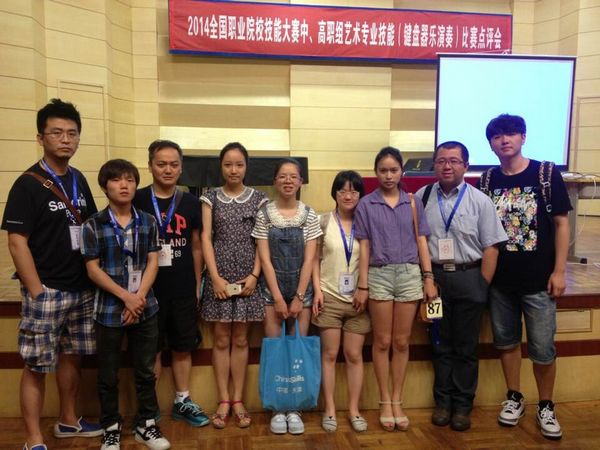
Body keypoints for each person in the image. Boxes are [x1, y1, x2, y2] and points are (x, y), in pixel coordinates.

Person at [1, 98, 102, 450]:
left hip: (81, 290)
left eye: (72, 133)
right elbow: (17, 242)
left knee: (72, 357)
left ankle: (68, 421)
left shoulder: (79, 180)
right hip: (47, 291)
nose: (65, 139)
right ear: (40, 138)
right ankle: (32, 439)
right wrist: (37, 290)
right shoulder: (27, 184)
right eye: (57, 132)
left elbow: (90, 229)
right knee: (36, 365)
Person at [479, 114, 571, 440]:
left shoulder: (545, 173)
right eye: (497, 136)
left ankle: (546, 405)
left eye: (511, 134)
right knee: (506, 344)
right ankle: (514, 397)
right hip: (500, 283)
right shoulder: (487, 180)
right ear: (491, 144)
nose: (504, 140)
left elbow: (561, 224)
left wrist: (559, 270)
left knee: (543, 349)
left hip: (539, 281)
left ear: (523, 137)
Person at [415, 141, 507, 431]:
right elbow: (416, 241)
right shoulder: (422, 196)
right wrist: (426, 279)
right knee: (440, 344)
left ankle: (463, 406)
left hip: (469, 278)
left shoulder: (480, 201)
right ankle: (442, 403)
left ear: (466, 166)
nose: (447, 166)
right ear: (434, 165)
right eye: (441, 160)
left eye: (454, 161)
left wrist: (482, 285)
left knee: (466, 347)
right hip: (435, 282)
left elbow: (491, 247)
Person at [81, 159, 170, 450]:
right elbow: (92, 269)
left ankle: (147, 425)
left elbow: (153, 261)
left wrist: (138, 298)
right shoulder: (93, 224)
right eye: (117, 180)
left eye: (130, 180)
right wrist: (126, 297)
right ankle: (111, 428)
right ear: (105, 186)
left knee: (146, 371)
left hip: (145, 307)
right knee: (108, 375)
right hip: (108, 310)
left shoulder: (148, 220)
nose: (124, 185)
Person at [354, 146, 437, 432]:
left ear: (402, 171)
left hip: (410, 274)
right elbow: (364, 247)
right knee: (382, 341)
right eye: (383, 170)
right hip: (378, 274)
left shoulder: (413, 202)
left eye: (393, 170)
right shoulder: (366, 204)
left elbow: (422, 241)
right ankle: (384, 401)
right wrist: (362, 284)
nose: (388, 175)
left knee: (401, 342)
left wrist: (428, 278)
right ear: (375, 172)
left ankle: (398, 400)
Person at [133, 140, 209, 428]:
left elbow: (197, 245)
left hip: (182, 288)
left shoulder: (190, 202)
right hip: (147, 291)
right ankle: (148, 408)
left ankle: (182, 400)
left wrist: (197, 283)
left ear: (181, 168)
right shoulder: (137, 199)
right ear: (150, 165)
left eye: (173, 164)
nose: (167, 169)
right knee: (150, 351)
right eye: (161, 164)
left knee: (182, 347)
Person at [200, 142, 268, 429]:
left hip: (247, 277)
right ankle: (223, 400)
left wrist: (254, 275)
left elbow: (262, 239)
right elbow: (206, 237)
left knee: (241, 339)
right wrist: (214, 277)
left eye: (239, 164)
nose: (233, 170)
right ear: (221, 167)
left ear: (246, 167)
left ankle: (238, 399)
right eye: (228, 164)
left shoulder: (260, 199)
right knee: (221, 339)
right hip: (219, 276)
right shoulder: (209, 198)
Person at [252, 158, 322, 435]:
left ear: (301, 181)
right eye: (282, 176)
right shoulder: (264, 214)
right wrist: (279, 298)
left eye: (293, 176)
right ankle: (277, 409)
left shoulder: (310, 214)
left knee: (297, 351)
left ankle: (295, 408)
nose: (288, 181)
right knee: (275, 350)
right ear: (275, 181)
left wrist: (299, 296)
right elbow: (265, 260)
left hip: (302, 293)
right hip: (271, 292)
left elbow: (310, 259)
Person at [312, 170, 370, 433]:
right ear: (335, 193)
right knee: (330, 355)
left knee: (354, 355)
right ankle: (330, 410)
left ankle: (355, 410)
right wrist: (317, 290)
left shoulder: (365, 223)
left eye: (354, 191)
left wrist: (364, 289)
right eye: (343, 190)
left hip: (358, 300)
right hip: (329, 298)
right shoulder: (323, 221)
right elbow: (314, 260)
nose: (348, 196)